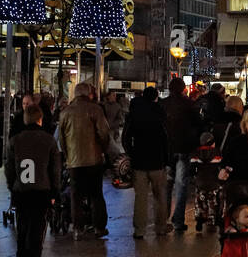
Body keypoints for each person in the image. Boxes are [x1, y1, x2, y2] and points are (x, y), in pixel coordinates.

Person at [5, 104, 62, 257]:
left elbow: (9, 167)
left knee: (22, 226)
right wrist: (55, 191)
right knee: (37, 230)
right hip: (41, 191)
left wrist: (11, 185)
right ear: (40, 119)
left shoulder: (15, 140)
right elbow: (55, 170)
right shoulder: (49, 141)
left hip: (21, 190)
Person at [59, 82, 112, 237]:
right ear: (89, 94)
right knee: (96, 194)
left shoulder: (65, 112)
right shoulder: (95, 110)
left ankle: (78, 229)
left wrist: (68, 156)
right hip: (94, 159)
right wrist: (102, 149)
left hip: (74, 162)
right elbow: (104, 133)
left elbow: (61, 139)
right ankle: (99, 227)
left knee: (76, 196)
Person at [123, 85, 171, 238]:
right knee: (160, 196)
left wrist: (131, 153)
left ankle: (139, 230)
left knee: (140, 198)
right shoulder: (160, 113)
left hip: (139, 161)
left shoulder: (134, 113)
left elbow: (125, 137)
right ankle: (161, 227)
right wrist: (167, 159)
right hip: (157, 161)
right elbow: (166, 138)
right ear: (156, 97)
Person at [163, 76, 204, 232]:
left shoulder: (163, 104)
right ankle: (178, 220)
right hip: (184, 149)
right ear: (183, 89)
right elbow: (199, 124)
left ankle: (163, 218)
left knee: (166, 186)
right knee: (181, 186)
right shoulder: (189, 104)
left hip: (167, 151)